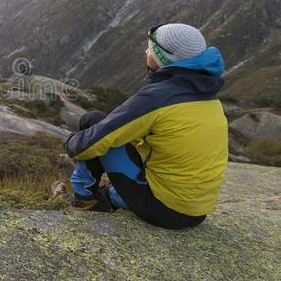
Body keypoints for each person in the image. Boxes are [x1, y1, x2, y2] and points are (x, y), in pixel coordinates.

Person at [64, 23, 228, 229]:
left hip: (163, 209)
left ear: (163, 58)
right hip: (196, 212)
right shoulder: (209, 97)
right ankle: (113, 196)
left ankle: (86, 198)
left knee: (92, 122)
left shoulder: (159, 97)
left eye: (150, 49)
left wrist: (70, 143)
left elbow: (90, 143)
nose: (146, 52)